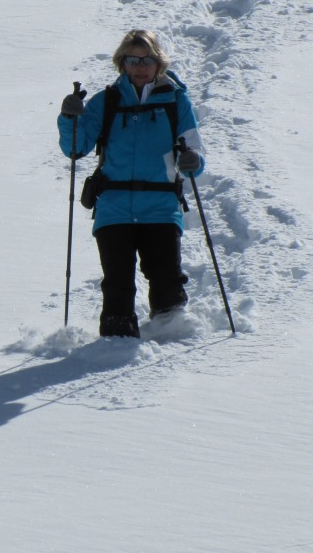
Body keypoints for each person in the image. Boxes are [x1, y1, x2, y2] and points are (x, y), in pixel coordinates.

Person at [58, 29, 205, 338]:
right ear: (122, 63)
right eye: (133, 60)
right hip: (114, 207)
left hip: (161, 206)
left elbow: (192, 149)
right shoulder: (106, 102)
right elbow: (76, 147)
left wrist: (192, 160)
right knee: (117, 286)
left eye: (147, 60)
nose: (140, 67)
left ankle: (173, 344)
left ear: (158, 63)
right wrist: (69, 119)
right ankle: (115, 344)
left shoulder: (176, 101)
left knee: (167, 283)